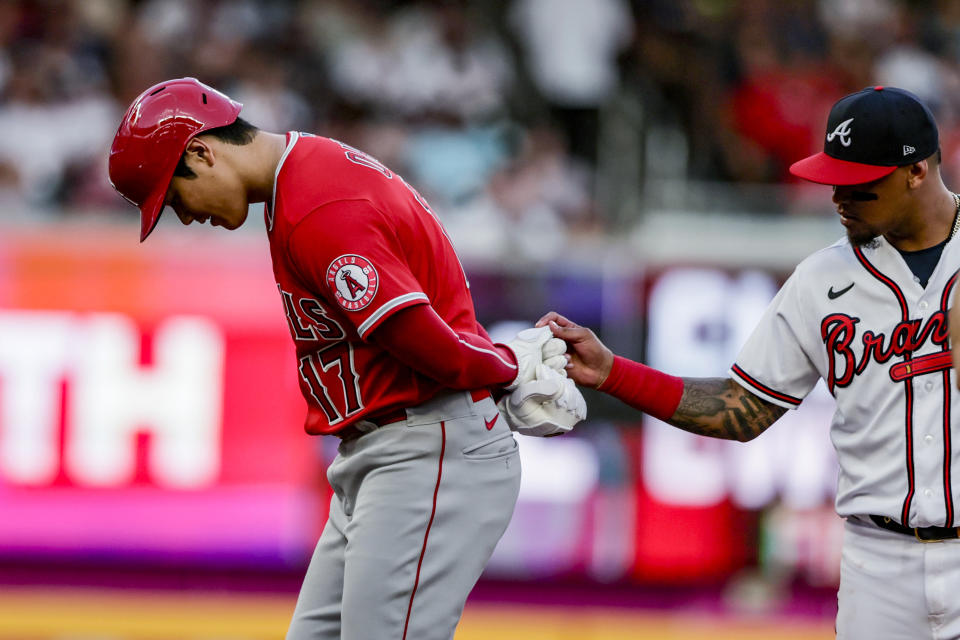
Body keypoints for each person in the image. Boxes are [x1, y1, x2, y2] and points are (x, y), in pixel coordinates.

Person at [107, 77, 582, 640]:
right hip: (389, 453)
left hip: (428, 451)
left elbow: (425, 342)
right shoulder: (300, 178)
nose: (184, 217)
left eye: (175, 196)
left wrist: (505, 366)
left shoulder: (316, 205)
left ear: (202, 151)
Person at [540, 86, 960, 640]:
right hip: (877, 565)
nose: (839, 197)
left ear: (916, 172)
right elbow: (741, 410)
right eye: (833, 178)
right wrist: (614, 372)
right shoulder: (821, 280)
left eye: (860, 185)